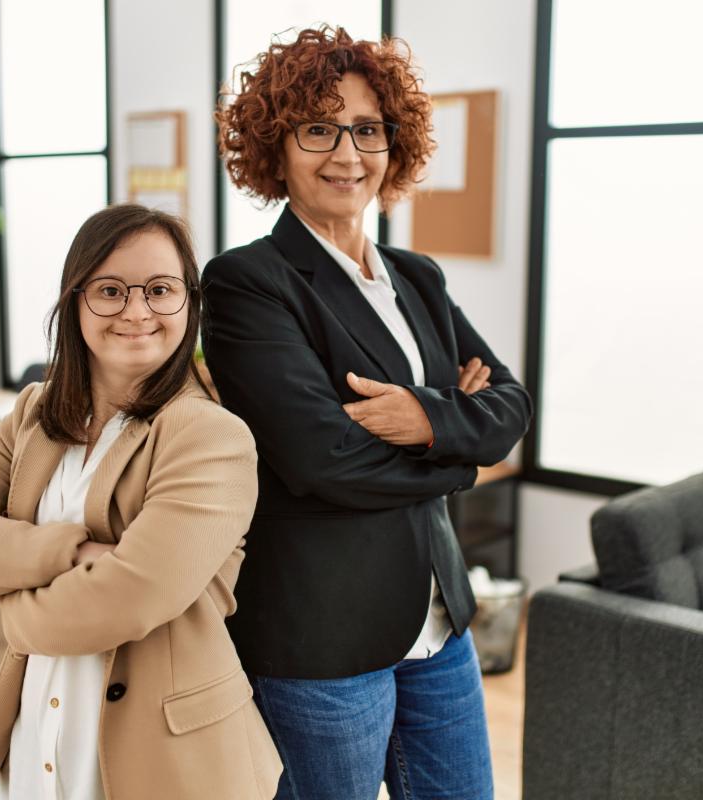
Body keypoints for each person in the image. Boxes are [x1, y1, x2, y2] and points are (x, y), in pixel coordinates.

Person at [204, 25, 532, 800]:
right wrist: (458, 448)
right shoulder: (250, 283)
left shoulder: (417, 278)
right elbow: (320, 459)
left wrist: (422, 418)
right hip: (322, 637)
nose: (346, 153)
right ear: (275, 147)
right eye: (318, 128)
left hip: (440, 620)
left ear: (395, 144)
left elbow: (511, 405)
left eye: (366, 129)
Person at [0, 205, 281, 800]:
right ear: (75, 302)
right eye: (111, 290)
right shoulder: (35, 413)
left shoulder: (210, 436)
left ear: (189, 304)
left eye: (161, 290)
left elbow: (129, 598)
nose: (137, 311)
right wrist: (71, 552)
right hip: (39, 729)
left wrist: (12, 610)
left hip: (168, 758)